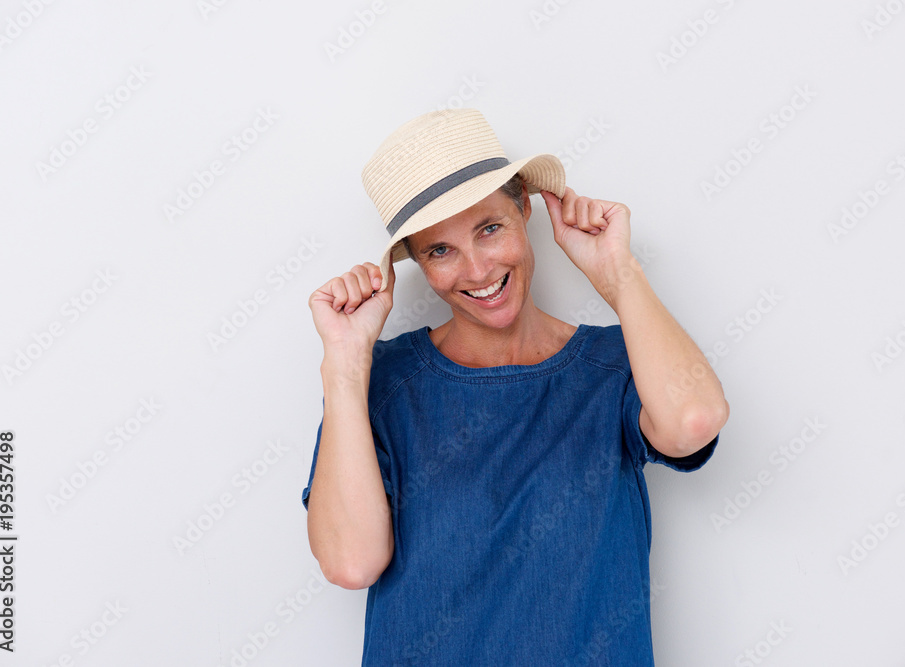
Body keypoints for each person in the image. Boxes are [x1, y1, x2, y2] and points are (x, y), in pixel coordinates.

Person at [302, 108, 729, 665]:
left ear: (524, 208)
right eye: (440, 250)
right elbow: (350, 563)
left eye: (489, 228)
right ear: (418, 265)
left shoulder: (612, 366)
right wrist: (342, 364)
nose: (477, 270)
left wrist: (617, 272)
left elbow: (693, 422)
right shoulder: (380, 385)